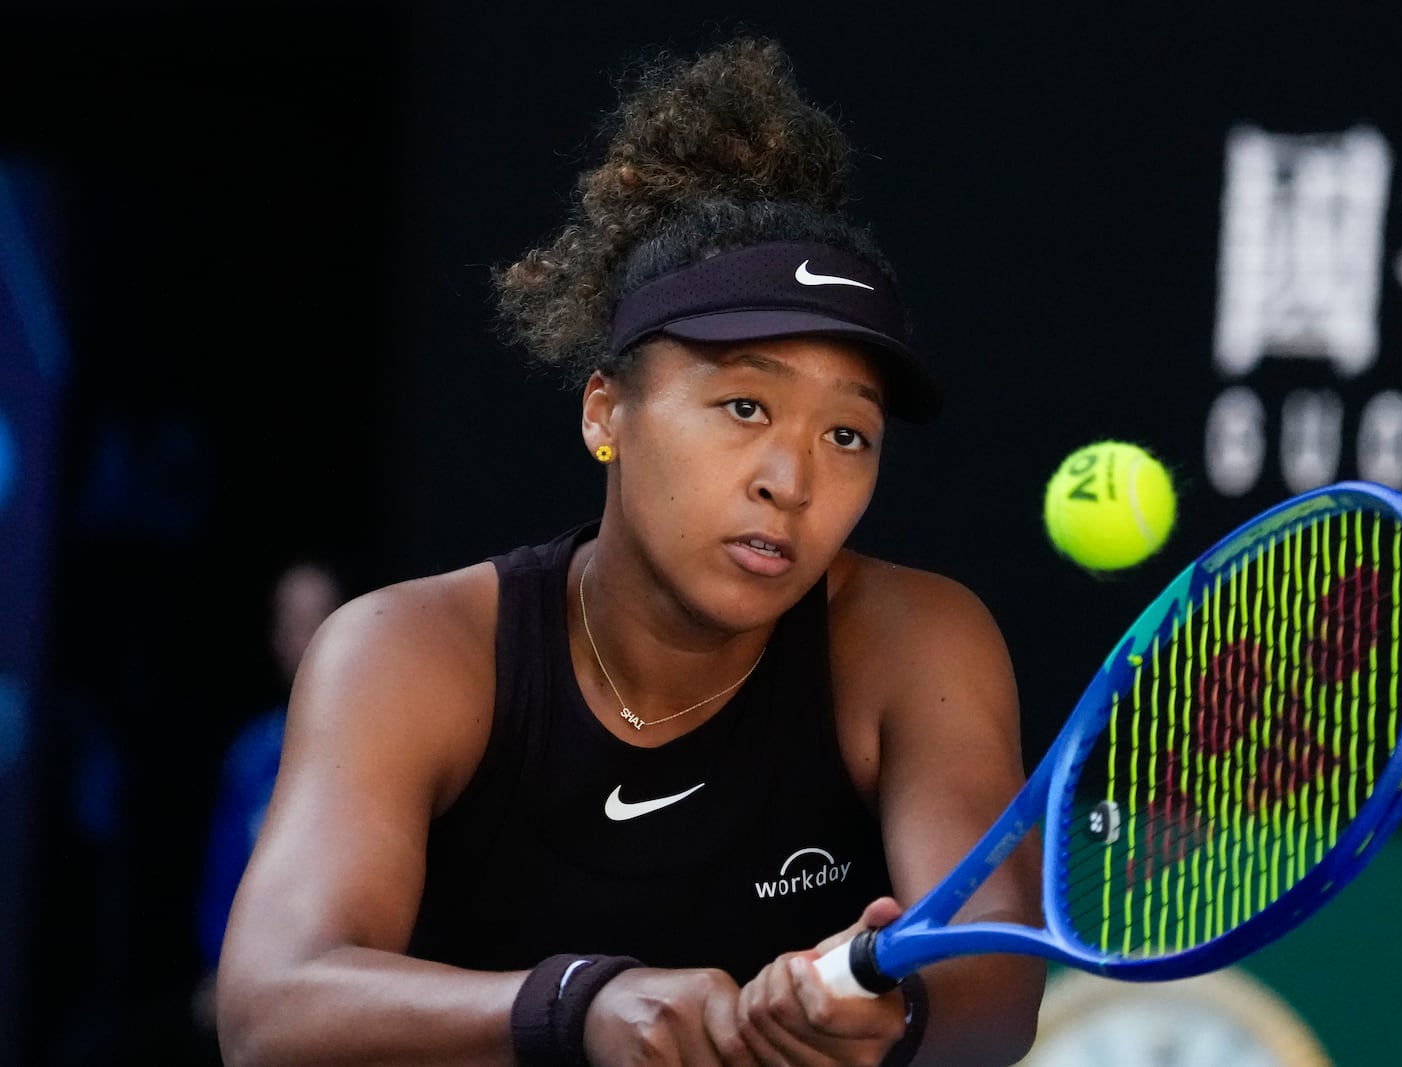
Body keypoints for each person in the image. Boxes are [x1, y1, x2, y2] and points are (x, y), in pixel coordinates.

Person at [216, 35, 1046, 1067]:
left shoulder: (914, 638)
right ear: (606, 411)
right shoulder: (407, 648)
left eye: (846, 434)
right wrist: (581, 1005)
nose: (790, 481)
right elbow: (272, 1004)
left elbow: (994, 988)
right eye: (745, 404)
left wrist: (890, 1014)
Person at [193, 560, 346, 1033]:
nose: (307, 639)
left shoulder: (387, 744)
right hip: (260, 976)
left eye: (321, 618)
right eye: (293, 624)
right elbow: (223, 879)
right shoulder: (251, 755)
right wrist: (225, 971)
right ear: (276, 640)